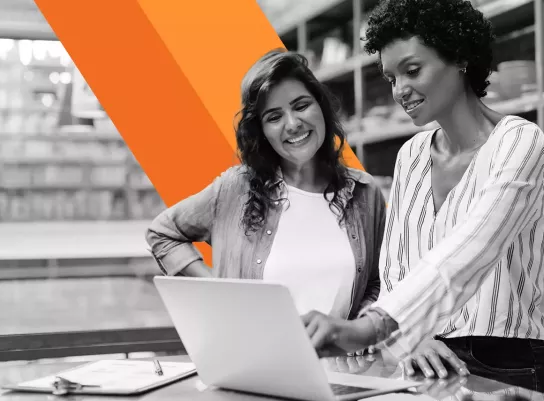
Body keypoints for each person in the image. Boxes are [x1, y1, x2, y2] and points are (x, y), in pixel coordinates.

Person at [301, 0, 544, 395]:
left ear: (459, 59)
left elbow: (473, 248)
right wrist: (408, 340)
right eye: (391, 78)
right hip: (423, 358)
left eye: (412, 70)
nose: (400, 90)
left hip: (506, 364)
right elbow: (396, 270)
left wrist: (375, 326)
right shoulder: (412, 155)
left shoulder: (520, 142)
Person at [146, 49, 387, 326]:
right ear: (261, 130)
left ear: (321, 106)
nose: (293, 124)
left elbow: (377, 281)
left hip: (342, 368)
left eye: (301, 105)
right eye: (274, 117)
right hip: (255, 363)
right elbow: (163, 233)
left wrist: (360, 328)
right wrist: (215, 287)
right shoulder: (236, 188)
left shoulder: (364, 193)